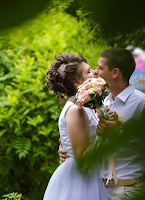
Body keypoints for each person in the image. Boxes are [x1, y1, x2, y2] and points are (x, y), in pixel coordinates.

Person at [59, 47, 145, 200]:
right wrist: (66, 148)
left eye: (100, 67)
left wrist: (120, 134)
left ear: (115, 73)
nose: (96, 71)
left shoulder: (143, 104)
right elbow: (85, 134)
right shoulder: (100, 101)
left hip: (127, 189)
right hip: (97, 189)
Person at [43, 53, 108, 200]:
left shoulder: (87, 106)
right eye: (89, 72)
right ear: (79, 83)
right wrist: (104, 132)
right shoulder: (75, 110)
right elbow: (83, 161)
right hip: (78, 181)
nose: (94, 73)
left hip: (91, 176)